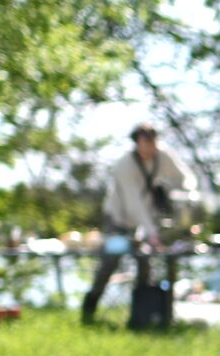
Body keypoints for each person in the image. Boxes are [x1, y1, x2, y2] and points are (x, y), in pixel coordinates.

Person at [81, 123, 197, 324]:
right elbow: (134, 203)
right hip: (117, 219)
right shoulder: (124, 166)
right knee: (110, 261)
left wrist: (186, 196)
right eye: (144, 143)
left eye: (152, 142)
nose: (149, 148)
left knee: (145, 263)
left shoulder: (163, 156)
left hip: (143, 222)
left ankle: (140, 316)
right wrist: (152, 232)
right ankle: (89, 309)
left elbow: (184, 177)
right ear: (136, 143)